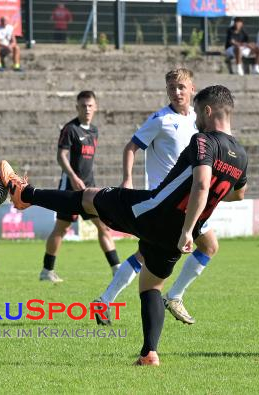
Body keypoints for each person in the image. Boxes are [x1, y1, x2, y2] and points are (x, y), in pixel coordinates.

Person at [1, 84, 248, 366]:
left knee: (90, 197)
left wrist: (187, 229)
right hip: (173, 236)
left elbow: (202, 183)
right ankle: (149, 354)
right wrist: (189, 224)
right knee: (151, 286)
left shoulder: (203, 141)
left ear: (207, 110)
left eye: (197, 115)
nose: (195, 121)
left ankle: (24, 194)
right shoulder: (241, 156)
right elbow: (237, 193)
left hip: (152, 212)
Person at [94, 68, 219, 326]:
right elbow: (131, 147)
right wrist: (127, 179)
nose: (176, 92)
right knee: (206, 246)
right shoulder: (160, 120)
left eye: (181, 87)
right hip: (168, 202)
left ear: (192, 88)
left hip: (186, 200)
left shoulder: (198, 121)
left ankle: (105, 301)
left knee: (146, 254)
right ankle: (173, 296)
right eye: (171, 87)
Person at [41, 91, 120, 283]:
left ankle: (117, 269)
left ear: (96, 107)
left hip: (89, 187)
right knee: (61, 228)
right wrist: (73, 177)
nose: (87, 109)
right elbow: (61, 156)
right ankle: (46, 271)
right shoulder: (70, 129)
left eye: (90, 105)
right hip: (70, 187)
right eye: (83, 106)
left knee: (103, 225)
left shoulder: (94, 130)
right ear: (77, 107)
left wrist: (86, 180)